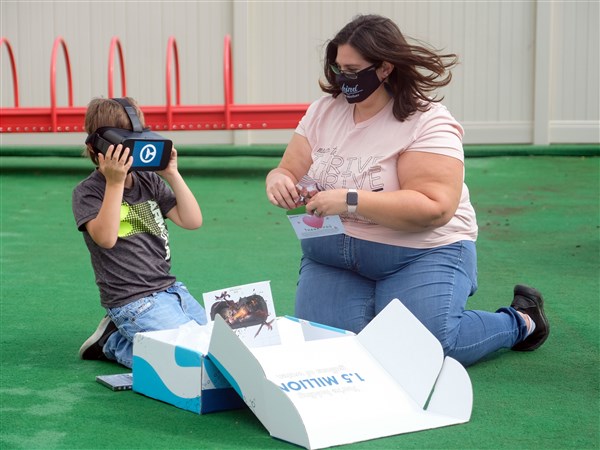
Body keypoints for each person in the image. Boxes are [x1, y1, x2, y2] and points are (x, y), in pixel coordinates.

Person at [265, 14, 549, 367]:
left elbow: (434, 207)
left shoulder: (427, 121)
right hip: (331, 257)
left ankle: (521, 321)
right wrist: (277, 180)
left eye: (353, 70)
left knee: (423, 352)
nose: (342, 78)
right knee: (333, 352)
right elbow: (288, 169)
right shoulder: (323, 111)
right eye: (338, 68)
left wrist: (350, 200)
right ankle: (383, 311)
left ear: (385, 68)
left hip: (419, 254)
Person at [73, 97, 207, 368]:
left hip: (171, 291)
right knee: (190, 363)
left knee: (217, 347)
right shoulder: (88, 192)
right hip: (132, 301)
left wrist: (172, 174)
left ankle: (120, 335)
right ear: (97, 148)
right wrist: (115, 183)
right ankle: (113, 342)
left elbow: (192, 220)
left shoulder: (149, 179)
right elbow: (106, 239)